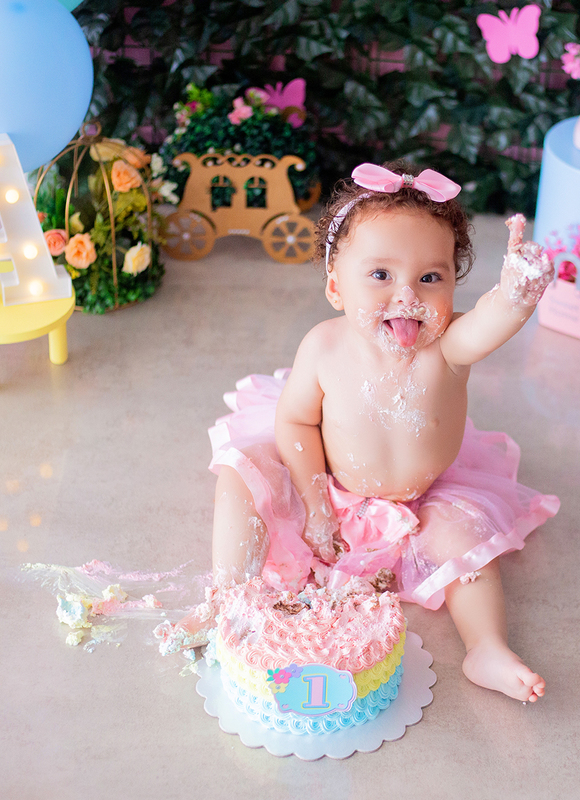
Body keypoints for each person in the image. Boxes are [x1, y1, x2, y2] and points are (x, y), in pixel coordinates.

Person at [181, 161, 558, 703]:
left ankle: (487, 647)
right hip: (328, 485)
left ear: (453, 286)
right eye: (380, 275)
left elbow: (489, 322)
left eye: (431, 278)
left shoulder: (448, 346)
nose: (407, 296)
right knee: (241, 471)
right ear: (336, 285)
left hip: (422, 502)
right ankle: (231, 595)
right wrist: (315, 504)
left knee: (467, 543)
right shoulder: (325, 347)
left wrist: (518, 292)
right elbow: (295, 421)